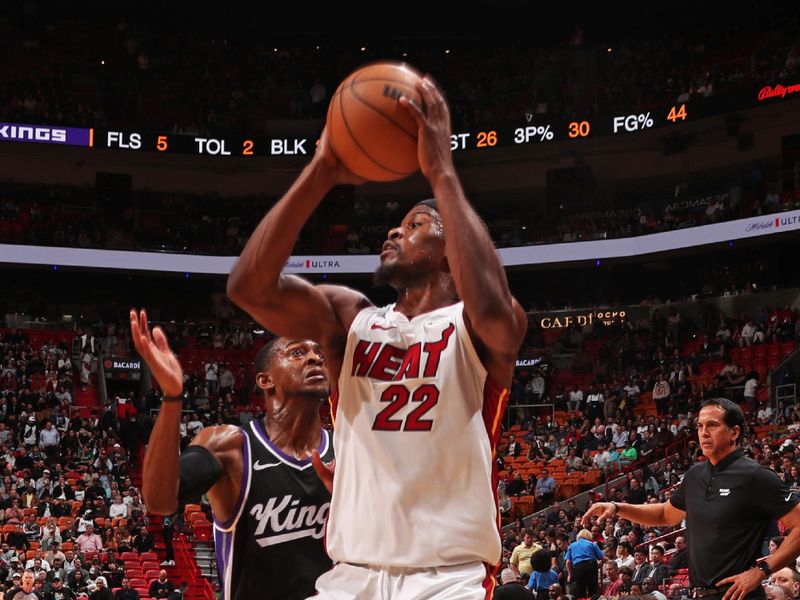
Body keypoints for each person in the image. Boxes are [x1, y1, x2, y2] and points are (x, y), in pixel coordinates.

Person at [226, 74, 526, 598]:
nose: (394, 231)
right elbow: (249, 286)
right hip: (352, 575)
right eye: (396, 225)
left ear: (449, 244)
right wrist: (320, 172)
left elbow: (495, 309)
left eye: (414, 224)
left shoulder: (475, 327)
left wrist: (443, 174)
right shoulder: (351, 318)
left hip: (449, 578)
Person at [134, 310, 335, 600]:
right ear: (265, 381)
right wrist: (172, 396)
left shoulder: (347, 448)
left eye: (320, 354)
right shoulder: (231, 445)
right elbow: (159, 500)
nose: (315, 358)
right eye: (297, 353)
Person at [583, 398, 800, 600]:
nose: (704, 432)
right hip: (697, 593)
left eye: (712, 425)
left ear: (734, 432)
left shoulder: (756, 476)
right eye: (700, 426)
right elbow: (665, 514)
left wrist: (761, 571)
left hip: (739, 594)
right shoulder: (695, 474)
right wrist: (616, 506)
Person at [564, 529, 604, 598]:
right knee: (593, 590)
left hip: (578, 567)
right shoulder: (591, 544)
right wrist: (600, 564)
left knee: (580, 590)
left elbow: (568, 562)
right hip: (591, 566)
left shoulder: (572, 545)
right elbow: (602, 558)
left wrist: (570, 575)